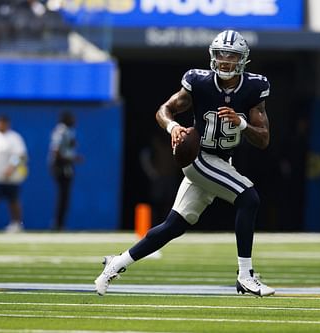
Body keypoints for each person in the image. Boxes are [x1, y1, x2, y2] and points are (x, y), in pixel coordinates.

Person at [95, 30, 275, 297]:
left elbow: (263, 140)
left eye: (232, 56)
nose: (225, 61)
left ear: (243, 60)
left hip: (221, 161)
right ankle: (245, 275)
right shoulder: (198, 82)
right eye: (220, 55)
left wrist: (243, 123)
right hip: (198, 157)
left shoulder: (254, 88)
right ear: (212, 57)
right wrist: (173, 127)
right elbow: (163, 110)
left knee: (174, 226)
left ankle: (115, 264)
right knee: (248, 198)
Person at [48, 111, 82, 230]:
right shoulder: (61, 131)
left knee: (65, 196)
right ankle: (58, 224)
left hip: (65, 165)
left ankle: (60, 223)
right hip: (61, 166)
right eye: (72, 118)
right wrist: (72, 158)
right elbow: (55, 151)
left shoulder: (69, 131)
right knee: (63, 195)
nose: (74, 121)